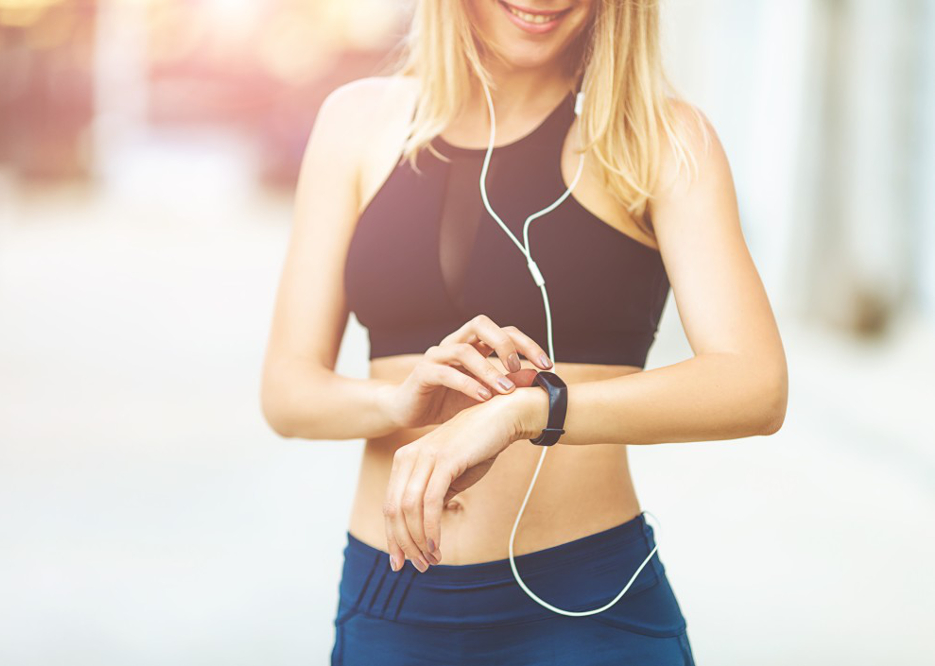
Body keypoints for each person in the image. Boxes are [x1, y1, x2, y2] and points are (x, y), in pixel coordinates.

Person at [261, 1, 788, 664]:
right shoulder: (357, 122)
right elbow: (286, 390)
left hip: (589, 607)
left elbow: (755, 382)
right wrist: (395, 405)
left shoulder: (661, 138)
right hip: (392, 605)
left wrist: (530, 411)